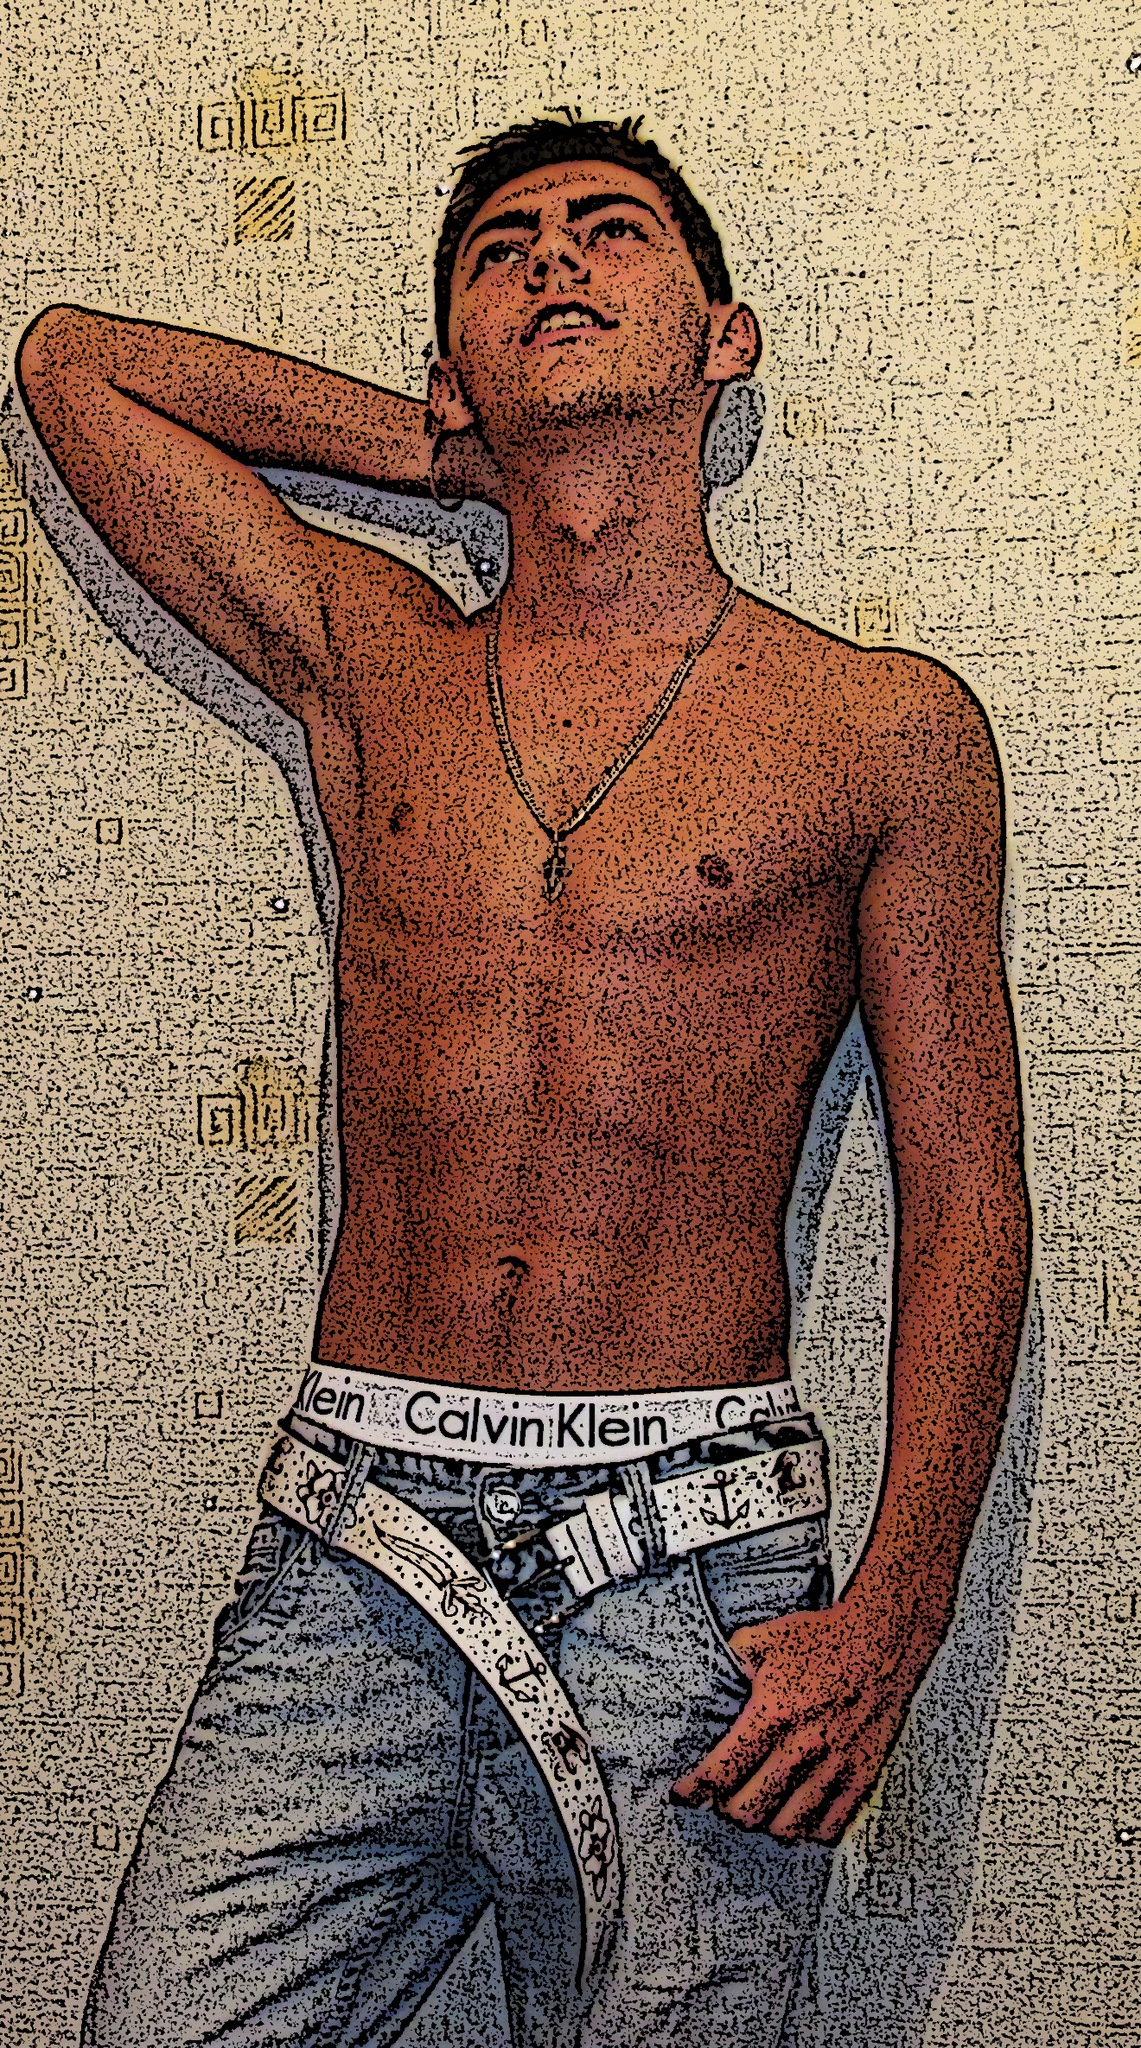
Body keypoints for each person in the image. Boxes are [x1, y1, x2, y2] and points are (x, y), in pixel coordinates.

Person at [17, 113, 1029, 2048]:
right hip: (357, 1531)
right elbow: (76, 368)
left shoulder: (881, 726)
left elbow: (968, 1192)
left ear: (724, 335)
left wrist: (898, 1619)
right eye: (503, 250)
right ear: (447, 359)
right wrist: (446, 445)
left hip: (697, 1554)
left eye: (610, 230)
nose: (556, 259)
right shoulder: (374, 661)